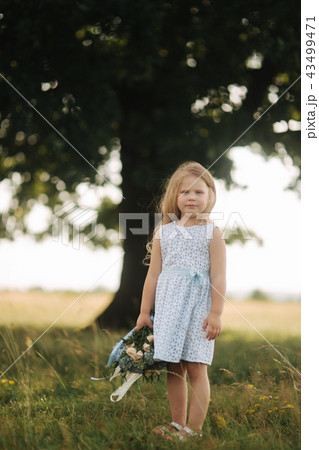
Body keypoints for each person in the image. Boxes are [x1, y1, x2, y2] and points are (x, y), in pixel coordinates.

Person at [135, 161, 227, 441]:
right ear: (175, 196)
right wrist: (143, 312)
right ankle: (177, 424)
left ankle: (194, 430)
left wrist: (216, 313)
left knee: (196, 365)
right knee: (174, 367)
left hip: (198, 307)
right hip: (169, 306)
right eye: (185, 191)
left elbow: (219, 277)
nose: (191, 197)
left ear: (210, 196)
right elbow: (153, 275)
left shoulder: (212, 233)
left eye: (199, 192)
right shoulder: (164, 231)